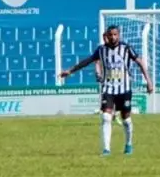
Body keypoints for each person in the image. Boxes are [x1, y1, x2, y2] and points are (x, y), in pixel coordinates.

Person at [60, 25, 153, 156]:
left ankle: (129, 144)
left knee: (126, 119)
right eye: (111, 35)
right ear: (107, 36)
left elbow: (141, 63)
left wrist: (148, 81)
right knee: (106, 117)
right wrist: (70, 71)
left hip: (124, 89)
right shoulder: (101, 50)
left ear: (119, 35)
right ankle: (106, 149)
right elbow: (86, 61)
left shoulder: (126, 48)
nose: (113, 37)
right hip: (108, 88)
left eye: (115, 35)